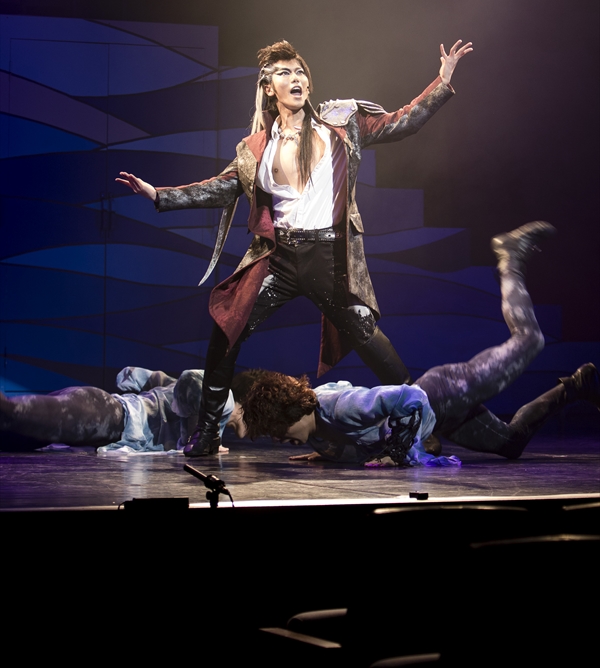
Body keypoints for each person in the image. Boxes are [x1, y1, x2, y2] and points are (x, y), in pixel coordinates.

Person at [116, 38, 473, 456]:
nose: (296, 78)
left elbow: (401, 122)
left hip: (328, 258)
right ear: (269, 88)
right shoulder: (255, 149)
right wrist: (159, 195)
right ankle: (209, 432)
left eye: (300, 71)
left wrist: (441, 82)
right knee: (226, 331)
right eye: (285, 73)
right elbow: (220, 188)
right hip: (279, 260)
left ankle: (422, 426)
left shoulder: (340, 124)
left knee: (366, 335)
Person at [241, 222, 600, 466]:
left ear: (293, 411)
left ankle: (511, 258)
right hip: (440, 415)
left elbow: (408, 396)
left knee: (530, 339)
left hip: (445, 392)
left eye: (278, 430)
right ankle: (576, 386)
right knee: (511, 443)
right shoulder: (319, 429)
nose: (279, 440)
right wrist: (332, 451)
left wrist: (399, 450)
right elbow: (360, 429)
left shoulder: (339, 407)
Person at [0, 368, 266, 453]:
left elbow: (146, 377)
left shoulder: (213, 412)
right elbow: (191, 380)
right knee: (8, 413)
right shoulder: (224, 399)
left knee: (10, 431)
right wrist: (196, 438)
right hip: (109, 416)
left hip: (101, 412)